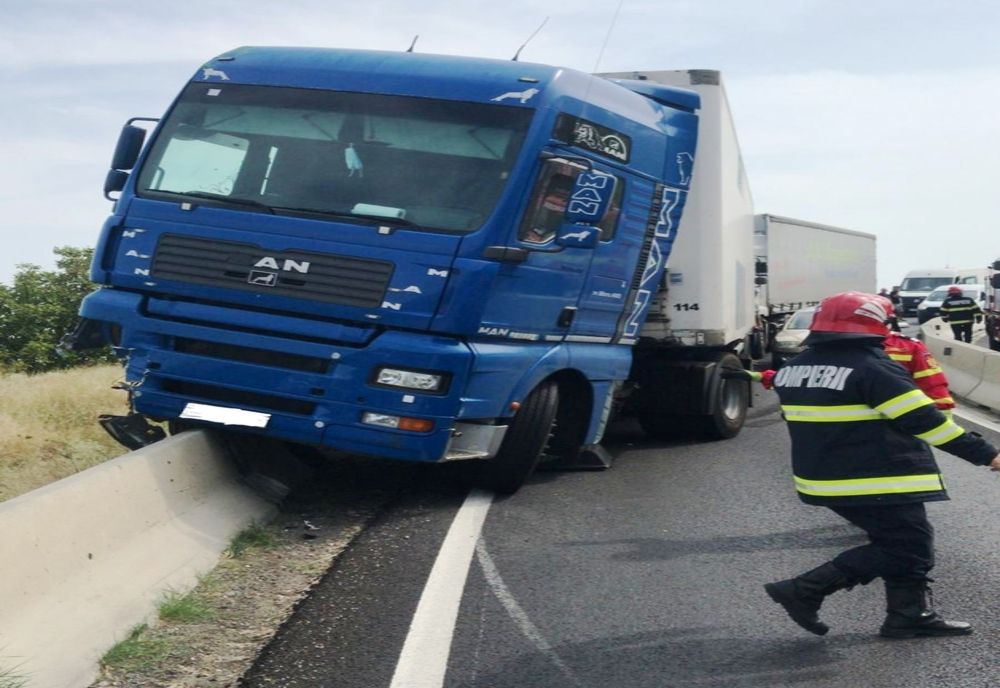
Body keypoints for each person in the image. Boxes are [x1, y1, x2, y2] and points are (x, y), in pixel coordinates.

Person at [756, 292, 1000, 639]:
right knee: (908, 546)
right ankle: (804, 589)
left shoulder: (794, 368)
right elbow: (926, 422)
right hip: (875, 476)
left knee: (901, 542)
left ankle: (908, 615)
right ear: (876, 324)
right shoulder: (872, 368)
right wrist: (988, 454)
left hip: (824, 477)